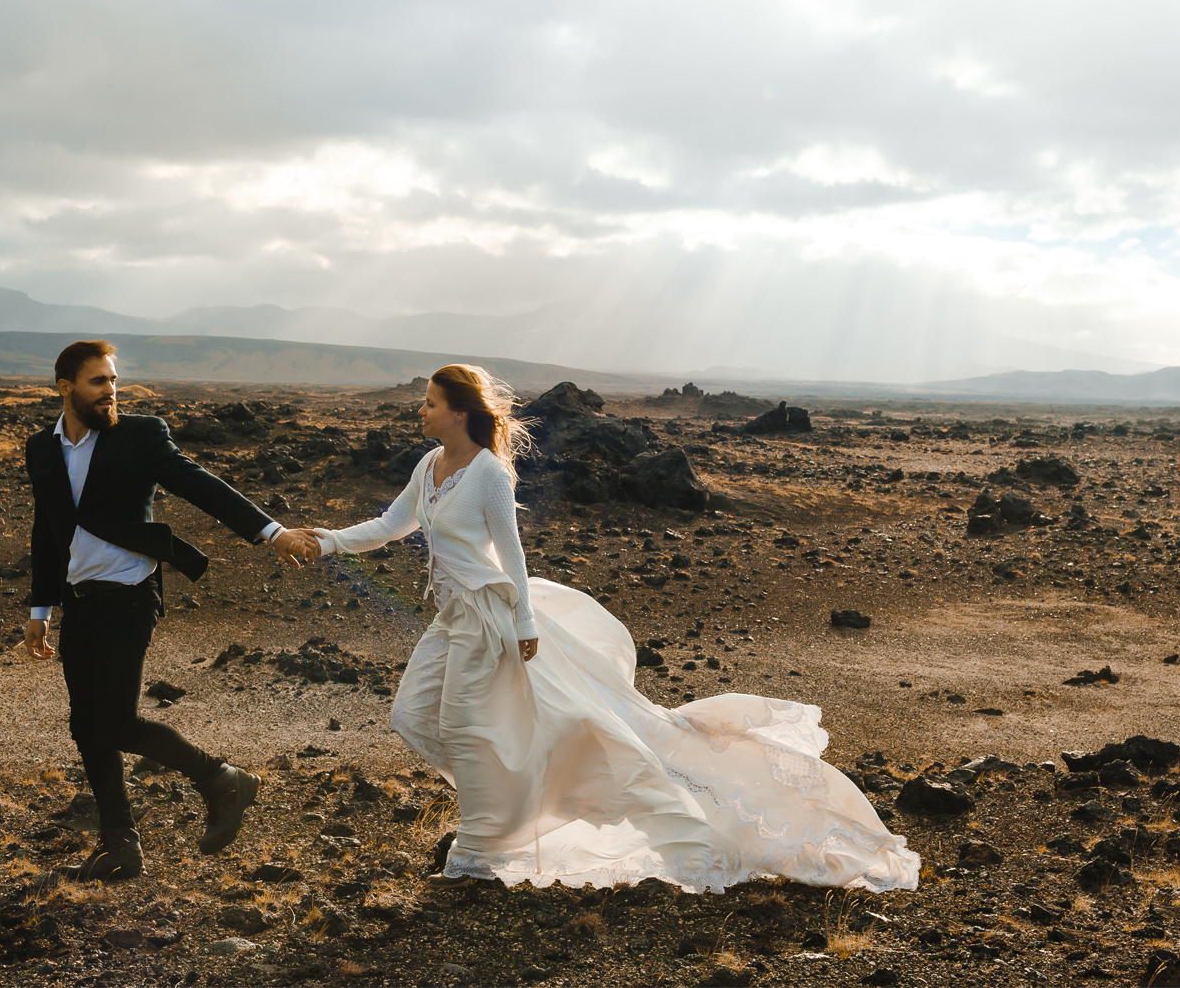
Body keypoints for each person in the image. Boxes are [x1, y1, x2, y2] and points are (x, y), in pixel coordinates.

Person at [282, 365, 919, 893]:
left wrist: (525, 623)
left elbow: (513, 551)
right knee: (414, 717)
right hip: (453, 618)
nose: (420, 412)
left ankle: (476, 855)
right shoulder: (429, 467)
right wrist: (326, 542)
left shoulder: (487, 476)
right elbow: (392, 525)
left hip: (492, 619)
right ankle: (514, 804)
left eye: (429, 404)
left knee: (467, 730)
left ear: (459, 412)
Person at [23, 340, 308, 881]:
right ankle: (119, 844)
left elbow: (200, 485)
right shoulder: (42, 448)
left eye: (113, 380)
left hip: (130, 595)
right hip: (79, 599)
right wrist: (41, 608)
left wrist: (271, 533)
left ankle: (222, 779)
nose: (110, 391)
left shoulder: (140, 436)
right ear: (65, 388)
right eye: (97, 382)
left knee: (116, 722)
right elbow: (47, 530)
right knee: (86, 726)